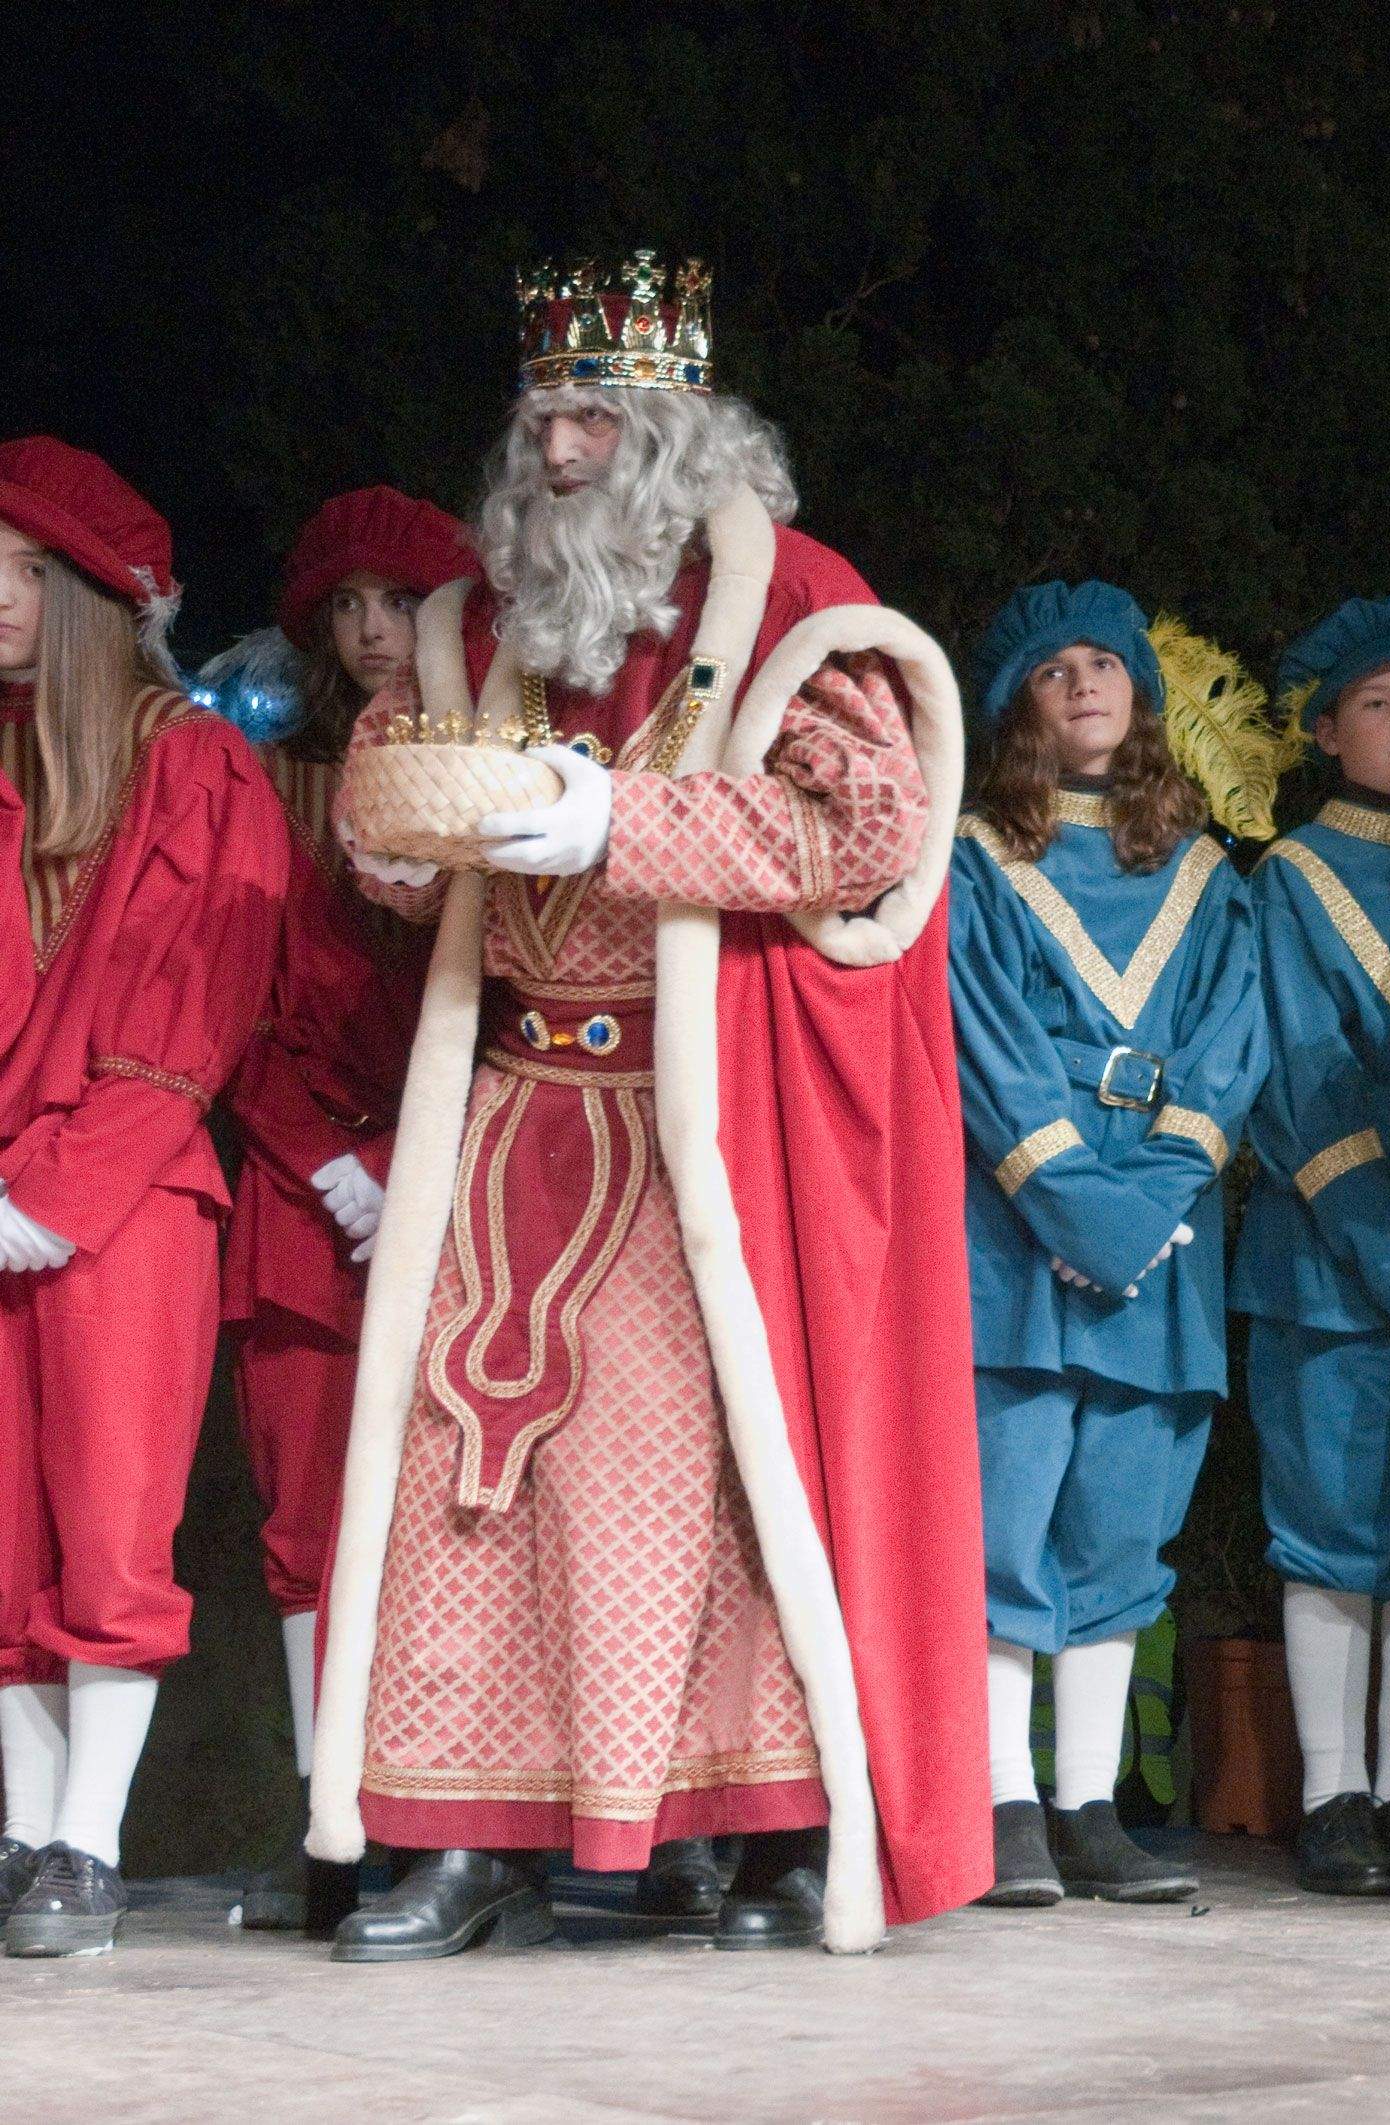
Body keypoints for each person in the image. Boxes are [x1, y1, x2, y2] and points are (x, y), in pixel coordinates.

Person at [311, 251, 990, 1960]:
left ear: (680, 429)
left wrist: (611, 826)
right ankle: (458, 1837)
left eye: (594, 421)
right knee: (466, 1464)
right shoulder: (476, 624)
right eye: (541, 421)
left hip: (709, 1125)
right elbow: (385, 808)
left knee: (687, 1492)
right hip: (514, 1104)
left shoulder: (796, 604)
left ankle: (739, 1829)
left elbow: (869, 834)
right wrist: (402, 840)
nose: (555, 458)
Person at [0, 436, 292, 1956]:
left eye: (27, 570)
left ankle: (86, 1842)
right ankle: (18, 1834)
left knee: (111, 1529)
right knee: (0, 1541)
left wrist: (50, 1193)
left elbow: (192, 1013)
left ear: (100, 597)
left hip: (124, 1199)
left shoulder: (193, 767)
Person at [951, 579, 1270, 1907]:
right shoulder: (972, 862)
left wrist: (1140, 1210)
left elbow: (1229, 1044)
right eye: (1053, 669)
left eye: (1107, 664)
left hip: (1159, 1240)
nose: (1085, 685)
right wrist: (1088, 1209)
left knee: (1120, 1529)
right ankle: (998, 1804)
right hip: (1025, 1244)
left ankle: (1089, 1806)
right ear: (1016, 703)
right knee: (1003, 1524)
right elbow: (990, 1051)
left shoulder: (1206, 879)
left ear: (1141, 693)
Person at [199, 486, 474, 1935]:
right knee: (306, 1517)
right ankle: (330, 1827)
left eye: (403, 602)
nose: (376, 633)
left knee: (456, 1513)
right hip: (312, 1198)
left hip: (468, 1185)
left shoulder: (501, 758)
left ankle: (453, 1824)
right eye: (348, 609)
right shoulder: (267, 781)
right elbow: (229, 1012)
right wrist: (335, 1169)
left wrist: (426, 1161)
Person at [1236, 594, 1390, 1899]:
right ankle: (1335, 1789)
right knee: (1332, 1522)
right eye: (1379, 706)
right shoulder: (1292, 876)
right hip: (1331, 1248)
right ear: (1329, 732)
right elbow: (1298, 1077)